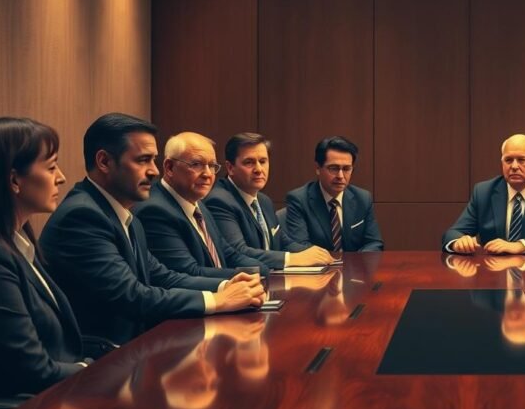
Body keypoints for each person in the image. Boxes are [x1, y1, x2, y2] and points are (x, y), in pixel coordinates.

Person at [40, 113, 264, 344]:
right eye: (142, 160)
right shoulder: (83, 216)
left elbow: (162, 276)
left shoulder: (124, 214)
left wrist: (229, 285)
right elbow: (132, 296)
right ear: (104, 162)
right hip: (101, 360)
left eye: (153, 160)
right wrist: (218, 301)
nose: (154, 171)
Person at [0, 117, 86, 398]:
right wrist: (99, 370)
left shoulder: (13, 241)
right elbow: (33, 371)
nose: (61, 177)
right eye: (50, 167)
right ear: (13, 180)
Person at [135, 132, 265, 278]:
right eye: (196, 164)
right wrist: (247, 277)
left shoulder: (198, 203)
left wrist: (262, 271)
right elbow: (189, 272)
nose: (208, 174)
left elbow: (229, 254)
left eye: (212, 166)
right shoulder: (155, 211)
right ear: (169, 167)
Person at [206, 133, 332, 269]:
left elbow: (282, 242)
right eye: (249, 162)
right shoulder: (219, 201)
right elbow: (238, 251)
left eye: (263, 161)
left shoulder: (263, 200)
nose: (259, 169)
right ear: (230, 168)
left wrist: (312, 253)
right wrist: (292, 258)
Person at [443, 134, 525, 255]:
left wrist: (520, 246)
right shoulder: (484, 192)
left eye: (521, 160)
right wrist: (458, 242)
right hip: (493, 274)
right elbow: (452, 233)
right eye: (508, 160)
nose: (514, 166)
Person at [283, 136, 384, 253]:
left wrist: (355, 264)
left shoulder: (362, 198)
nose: (340, 176)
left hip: (355, 269)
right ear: (318, 168)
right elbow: (300, 247)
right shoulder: (299, 200)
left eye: (346, 169)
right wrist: (332, 263)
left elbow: (374, 243)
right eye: (334, 168)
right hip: (320, 268)